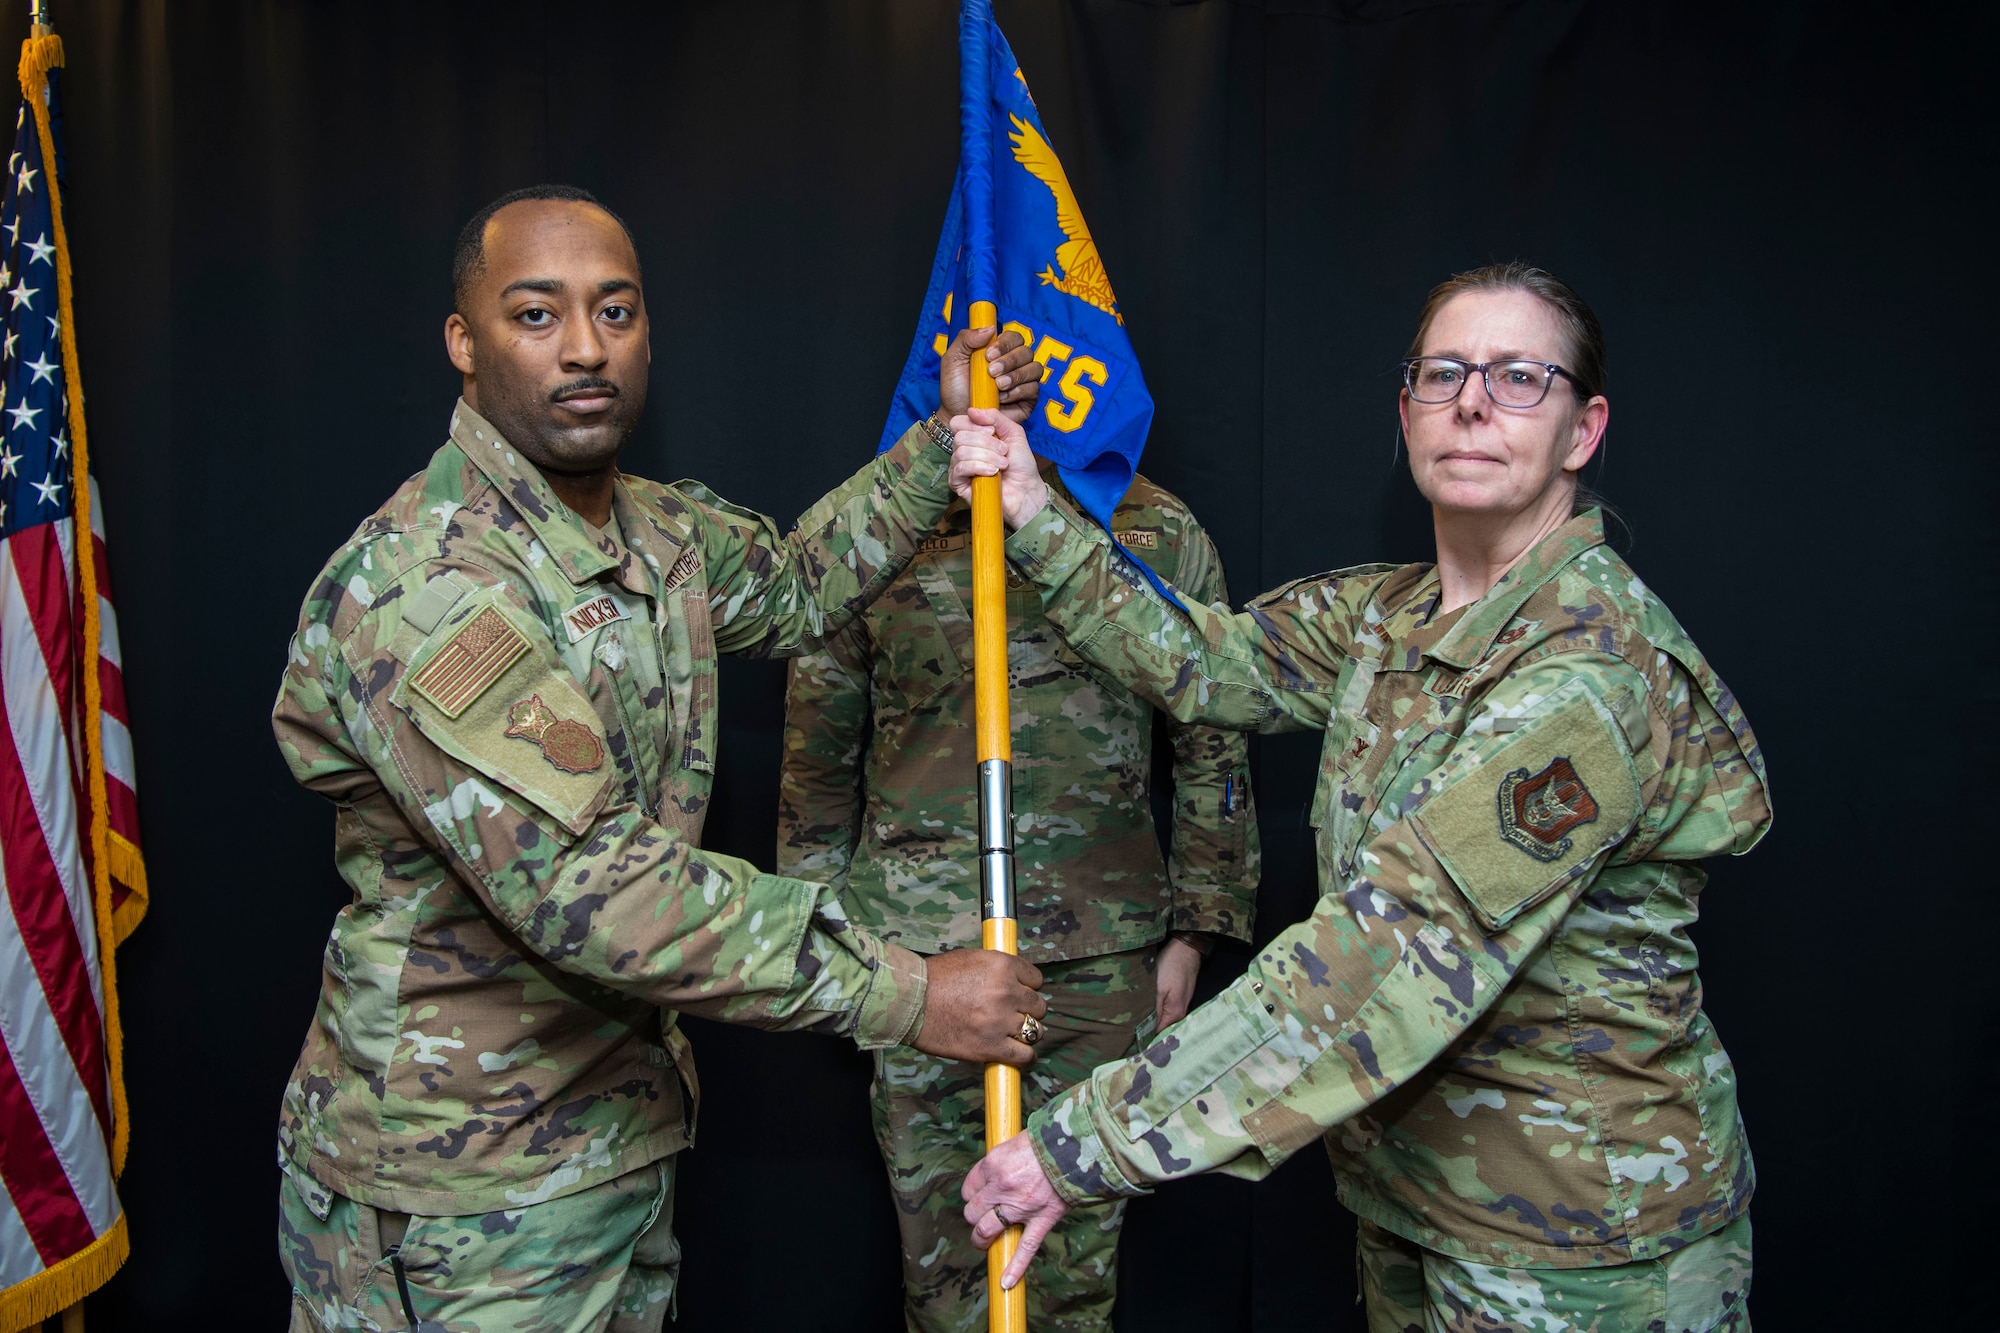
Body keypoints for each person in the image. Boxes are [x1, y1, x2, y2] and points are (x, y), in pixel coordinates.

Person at [271, 184, 1052, 1333]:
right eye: (536, 315)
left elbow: (793, 587)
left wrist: (942, 439)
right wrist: (907, 991)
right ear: (462, 341)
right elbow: (596, 891)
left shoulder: (649, 528)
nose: (585, 348)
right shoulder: (427, 588)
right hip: (462, 1200)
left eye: (616, 311)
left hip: (610, 1148)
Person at [949, 263, 1771, 1332]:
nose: (1473, 401)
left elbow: (1382, 955)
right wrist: (1030, 509)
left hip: (1580, 1246)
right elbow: (1209, 663)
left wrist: (1082, 1144)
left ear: (1582, 430)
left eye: (1521, 376)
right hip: (1416, 1206)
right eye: (1443, 373)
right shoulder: (1391, 612)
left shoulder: (1587, 677)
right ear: (1405, 410)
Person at [778, 455, 1260, 1330]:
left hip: (1103, 955)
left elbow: (1212, 739)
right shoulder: (883, 521)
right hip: (921, 965)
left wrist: (1198, 929)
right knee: (946, 1270)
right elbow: (817, 752)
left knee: (1074, 1273)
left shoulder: (1154, 528)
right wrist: (826, 956)